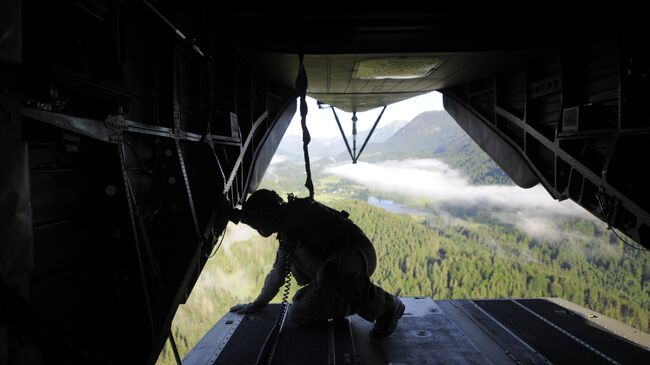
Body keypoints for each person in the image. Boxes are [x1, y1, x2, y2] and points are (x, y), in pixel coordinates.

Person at [221, 189, 405, 339]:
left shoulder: (301, 209)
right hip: (335, 270)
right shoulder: (287, 236)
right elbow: (277, 275)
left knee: (328, 272)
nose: (259, 227)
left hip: (357, 253)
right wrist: (257, 304)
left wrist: (234, 214)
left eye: (258, 221)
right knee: (299, 312)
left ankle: (388, 307)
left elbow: (273, 220)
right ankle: (353, 302)